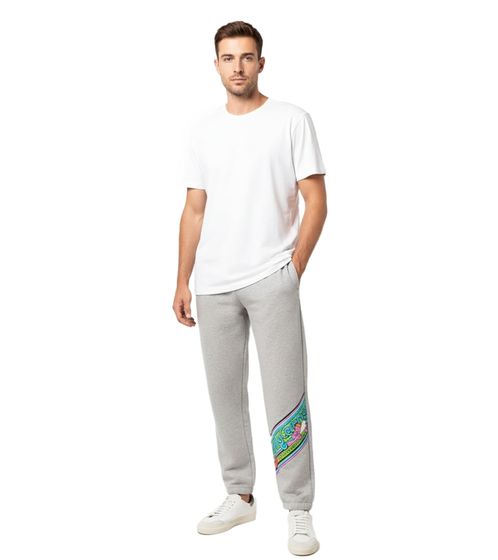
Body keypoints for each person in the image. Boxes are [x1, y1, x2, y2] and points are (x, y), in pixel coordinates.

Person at [173, 20, 327, 556]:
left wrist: (294, 268)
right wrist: (182, 279)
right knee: (225, 397)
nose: (237, 67)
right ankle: (239, 495)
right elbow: (194, 210)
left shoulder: (291, 120)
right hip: (213, 284)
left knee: (287, 396)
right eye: (227, 57)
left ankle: (298, 507)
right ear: (215, 65)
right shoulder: (202, 131)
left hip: (271, 277)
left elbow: (316, 200)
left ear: (261, 63)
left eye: (245, 57)